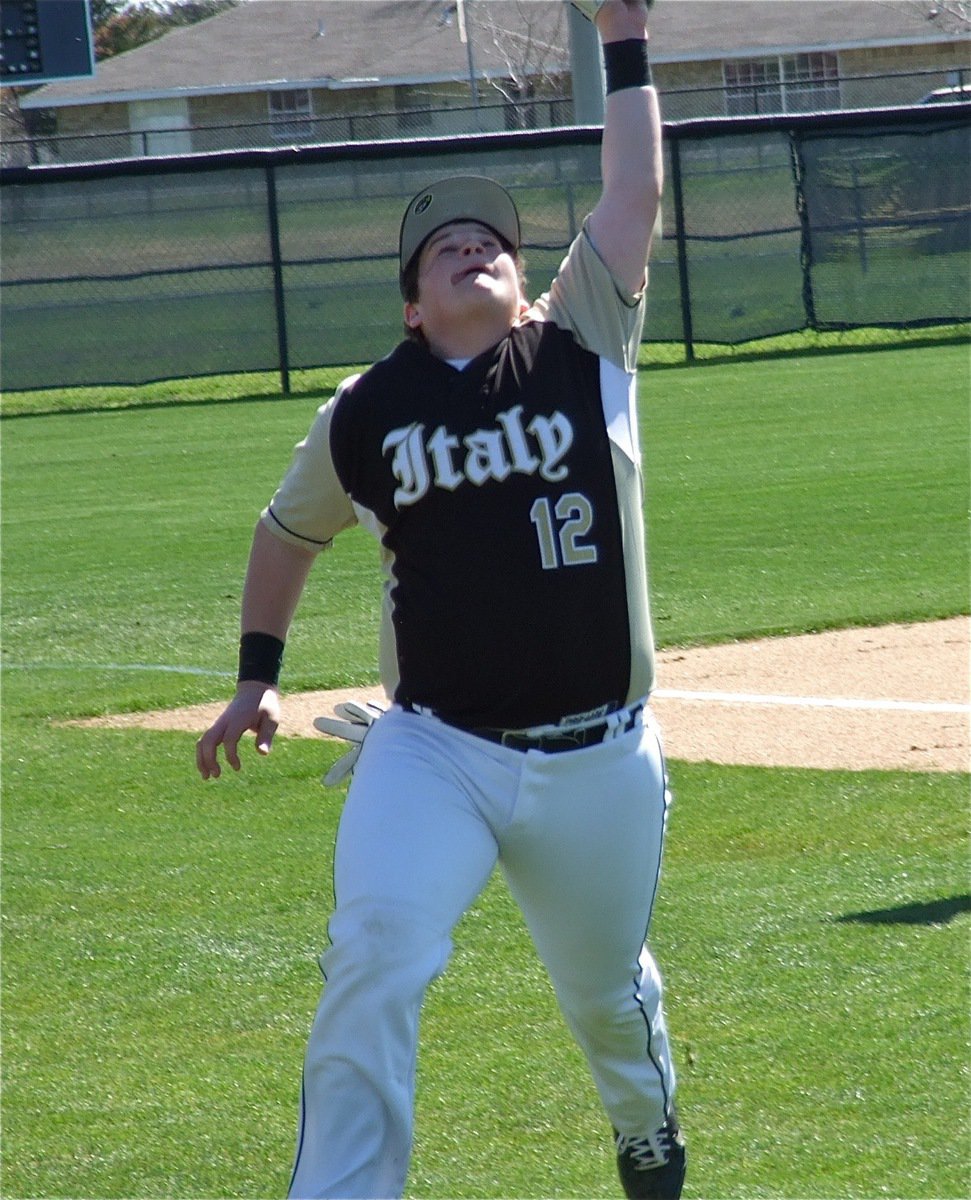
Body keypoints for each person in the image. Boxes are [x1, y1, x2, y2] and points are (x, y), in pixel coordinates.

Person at [196, 2, 684, 1196]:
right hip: (434, 751)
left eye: (490, 240)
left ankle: (643, 1126)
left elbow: (630, 198)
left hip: (596, 760)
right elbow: (283, 532)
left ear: (525, 285)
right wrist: (255, 673)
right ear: (412, 304)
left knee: (604, 993)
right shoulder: (365, 410)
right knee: (373, 955)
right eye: (441, 247)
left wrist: (622, 35)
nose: (472, 247)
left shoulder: (580, 342)